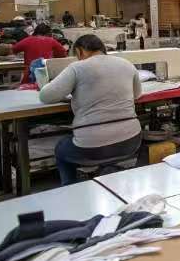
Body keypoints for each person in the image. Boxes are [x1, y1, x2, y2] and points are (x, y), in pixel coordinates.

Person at [40, 35, 142, 185]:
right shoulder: (127, 64)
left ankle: (70, 188)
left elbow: (46, 96)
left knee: (61, 148)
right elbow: (137, 94)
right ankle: (106, 175)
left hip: (91, 146)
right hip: (131, 141)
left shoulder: (77, 67)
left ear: (80, 51)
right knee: (109, 145)